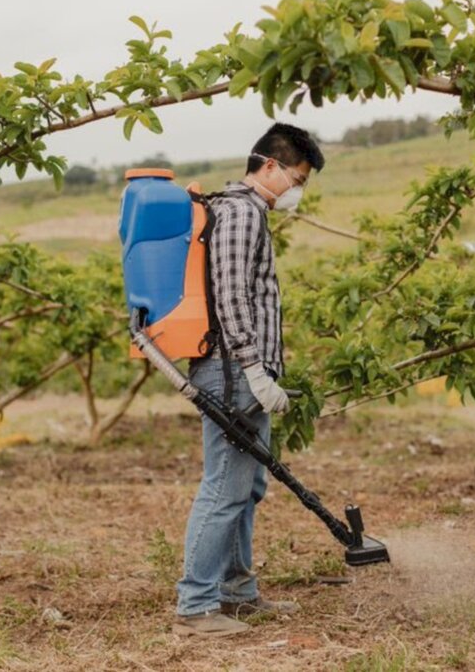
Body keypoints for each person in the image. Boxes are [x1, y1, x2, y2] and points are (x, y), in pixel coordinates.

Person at [173, 122, 325, 637]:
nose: (297, 190)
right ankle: (195, 607)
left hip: (240, 369)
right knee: (225, 486)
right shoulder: (240, 214)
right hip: (233, 370)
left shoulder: (247, 213)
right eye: (297, 178)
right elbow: (232, 297)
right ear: (269, 166)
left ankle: (237, 592)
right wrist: (255, 370)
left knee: (248, 485)